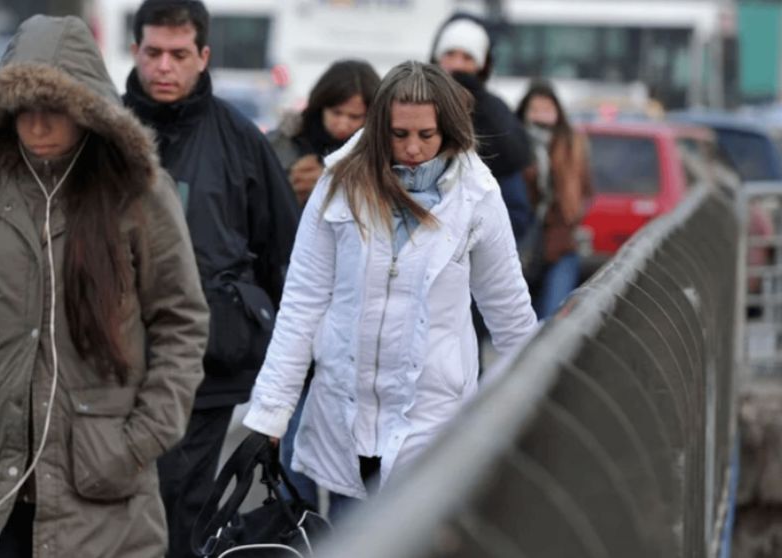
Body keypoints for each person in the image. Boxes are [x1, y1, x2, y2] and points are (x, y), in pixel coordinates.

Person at [0, 15, 209, 558]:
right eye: (25, 110)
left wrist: (140, 439)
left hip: (100, 487)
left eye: (55, 110)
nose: (39, 126)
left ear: (87, 109)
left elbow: (181, 321)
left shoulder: (137, 194)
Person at [243, 61, 537, 506]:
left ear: (449, 130)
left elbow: (508, 309)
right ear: (381, 128)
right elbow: (302, 302)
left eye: (426, 135)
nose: (413, 148)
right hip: (344, 421)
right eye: (399, 135)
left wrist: (538, 408)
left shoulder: (478, 195)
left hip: (432, 422)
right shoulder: (338, 184)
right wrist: (270, 414)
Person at [122, 1, 300, 556]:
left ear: (203, 56)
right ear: (135, 52)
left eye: (179, 54)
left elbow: (284, 256)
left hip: (207, 366)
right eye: (153, 53)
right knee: (119, 508)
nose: (164, 67)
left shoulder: (240, 139)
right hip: (113, 366)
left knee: (183, 509)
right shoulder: (104, 134)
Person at [266, 58, 381, 513]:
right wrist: (292, 196)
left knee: (358, 469)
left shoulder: (384, 160)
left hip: (359, 335)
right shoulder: (284, 148)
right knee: (295, 460)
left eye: (357, 118)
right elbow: (263, 229)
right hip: (294, 319)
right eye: (337, 114)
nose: (344, 126)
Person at [429, 12, 531, 240]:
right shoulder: (415, 101)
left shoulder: (496, 112)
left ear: (481, 65)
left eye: (467, 57)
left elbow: (515, 207)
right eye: (450, 54)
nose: (457, 64)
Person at [516, 80, 593, 318]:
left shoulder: (570, 143)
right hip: (522, 244)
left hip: (561, 243)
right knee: (520, 323)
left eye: (547, 109)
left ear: (558, 112)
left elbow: (584, 191)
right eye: (535, 109)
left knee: (552, 319)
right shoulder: (516, 144)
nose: (541, 116)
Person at [267, 59, 381, 208]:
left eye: (354, 116)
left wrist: (330, 186)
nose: (342, 124)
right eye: (336, 113)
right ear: (320, 106)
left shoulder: (381, 154)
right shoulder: (282, 143)